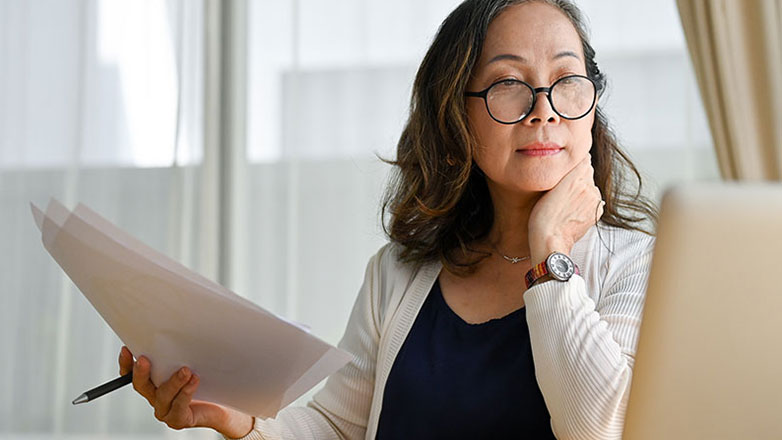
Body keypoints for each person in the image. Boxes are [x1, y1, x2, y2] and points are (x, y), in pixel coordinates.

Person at [118, 0, 658, 438]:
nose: (544, 108)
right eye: (508, 84)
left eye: (567, 80)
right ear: (458, 119)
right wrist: (242, 421)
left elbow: (598, 429)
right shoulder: (396, 274)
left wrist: (549, 253)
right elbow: (335, 425)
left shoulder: (639, 265)